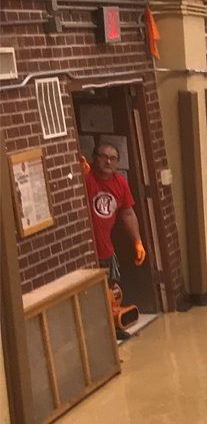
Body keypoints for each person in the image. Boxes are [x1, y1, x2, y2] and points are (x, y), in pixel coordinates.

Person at [82, 143, 145, 341]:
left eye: (113, 158)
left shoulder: (120, 183)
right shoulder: (86, 177)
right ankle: (94, 335)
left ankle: (111, 330)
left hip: (106, 250)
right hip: (86, 251)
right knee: (90, 296)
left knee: (111, 293)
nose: (108, 161)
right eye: (103, 156)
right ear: (94, 157)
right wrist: (80, 173)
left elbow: (127, 212)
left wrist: (137, 241)